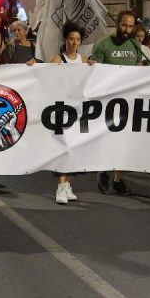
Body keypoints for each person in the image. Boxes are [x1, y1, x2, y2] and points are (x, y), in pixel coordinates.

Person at [89, 10, 145, 195]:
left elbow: (139, 70)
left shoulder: (135, 45)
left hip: (128, 101)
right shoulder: (103, 44)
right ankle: (103, 171)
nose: (127, 29)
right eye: (124, 25)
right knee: (108, 140)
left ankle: (118, 179)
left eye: (130, 26)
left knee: (123, 142)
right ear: (117, 24)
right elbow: (93, 72)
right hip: (107, 101)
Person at [48, 23, 88, 204]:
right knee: (65, 147)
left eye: (77, 39)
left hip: (78, 111)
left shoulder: (84, 60)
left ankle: (67, 185)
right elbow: (43, 78)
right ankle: (60, 186)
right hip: (61, 109)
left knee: (74, 149)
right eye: (71, 39)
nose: (74, 42)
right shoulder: (57, 59)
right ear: (66, 40)